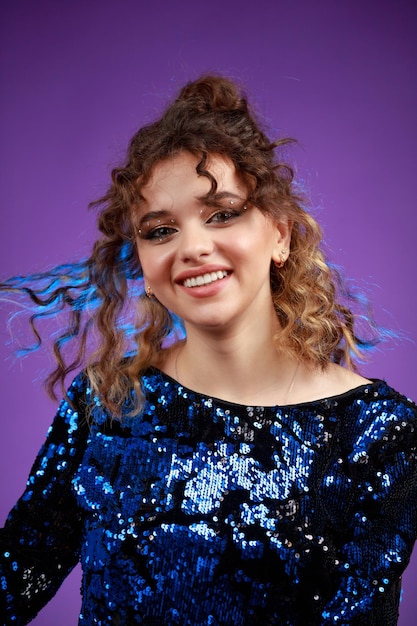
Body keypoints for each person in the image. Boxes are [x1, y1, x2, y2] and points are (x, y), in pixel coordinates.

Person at [0, 75, 416, 626]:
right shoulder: (106, 405)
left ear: (281, 235)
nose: (194, 247)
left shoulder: (380, 435)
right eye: (160, 230)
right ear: (143, 266)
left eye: (222, 214)